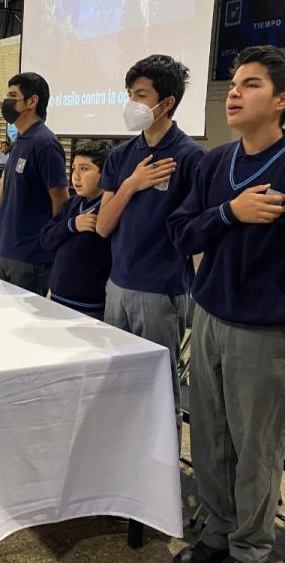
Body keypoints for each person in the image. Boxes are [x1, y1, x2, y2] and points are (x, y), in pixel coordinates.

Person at [168, 45, 285, 563]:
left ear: (283, 99)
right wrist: (230, 213)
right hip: (208, 319)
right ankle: (218, 532)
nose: (235, 93)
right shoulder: (215, 163)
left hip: (263, 334)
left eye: (252, 85)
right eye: (234, 82)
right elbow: (182, 232)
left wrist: (273, 291)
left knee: (255, 450)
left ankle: (249, 549)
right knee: (210, 437)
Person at [95, 54, 206, 435]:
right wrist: (131, 184)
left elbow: (197, 231)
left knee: (159, 391)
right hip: (118, 286)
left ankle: (162, 477)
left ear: (167, 103)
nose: (133, 103)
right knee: (118, 385)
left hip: (160, 290)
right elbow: (103, 226)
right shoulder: (123, 156)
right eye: (130, 93)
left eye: (141, 95)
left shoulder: (190, 157)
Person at [0, 72, 69, 295]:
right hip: (6, 249)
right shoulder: (19, 141)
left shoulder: (45, 143)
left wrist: (51, 243)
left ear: (32, 102)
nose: (6, 101)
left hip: (30, 256)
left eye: (12, 95)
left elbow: (60, 199)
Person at [39, 141, 112, 320]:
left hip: (89, 306)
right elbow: (46, 238)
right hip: (58, 297)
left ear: (104, 173)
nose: (76, 176)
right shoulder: (73, 203)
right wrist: (72, 225)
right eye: (74, 168)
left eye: (85, 169)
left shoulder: (109, 208)